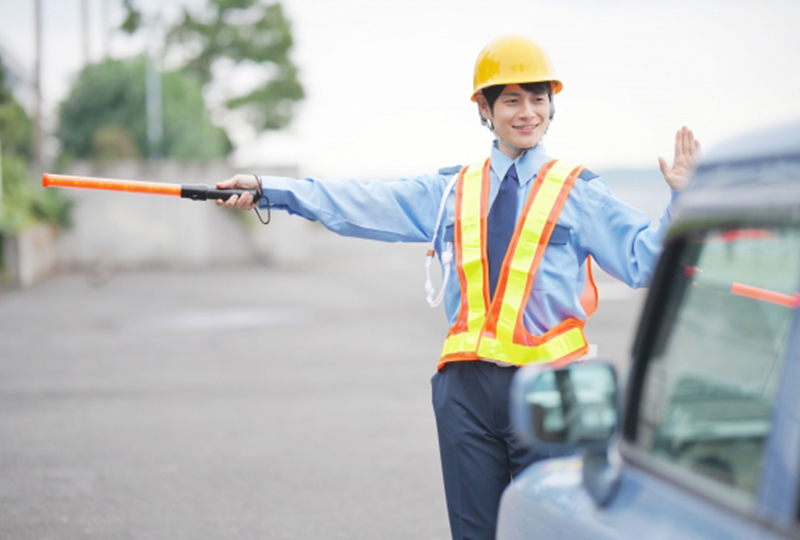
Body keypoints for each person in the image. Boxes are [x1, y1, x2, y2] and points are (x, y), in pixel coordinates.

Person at [216, 35, 699, 540]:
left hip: (550, 390)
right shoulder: (451, 189)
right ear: (485, 110)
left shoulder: (580, 192)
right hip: (465, 392)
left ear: (552, 106)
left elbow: (646, 262)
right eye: (511, 99)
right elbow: (360, 201)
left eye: (538, 99)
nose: (528, 112)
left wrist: (682, 202)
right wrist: (271, 189)